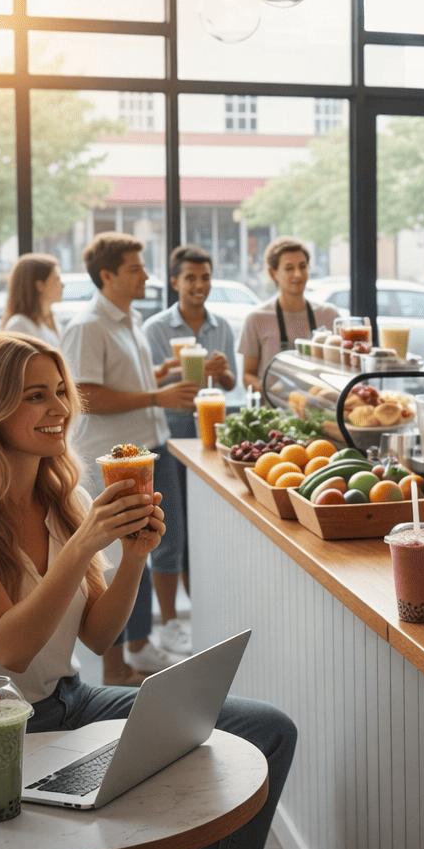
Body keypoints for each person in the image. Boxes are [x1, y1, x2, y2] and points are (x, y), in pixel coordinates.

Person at [0, 331, 295, 849]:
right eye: (34, 396)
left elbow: (96, 634)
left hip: (59, 706)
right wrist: (84, 544)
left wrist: (136, 555)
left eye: (61, 390)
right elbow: (11, 648)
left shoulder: (64, 497)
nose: (59, 409)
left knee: (267, 730)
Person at [62, 233, 199, 684]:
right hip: (118, 459)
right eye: (135, 268)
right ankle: (117, 669)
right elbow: (87, 395)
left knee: (147, 548)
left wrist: (160, 376)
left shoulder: (128, 319)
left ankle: (138, 651)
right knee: (121, 562)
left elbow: (122, 380)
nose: (145, 275)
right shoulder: (88, 325)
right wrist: (158, 393)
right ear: (107, 275)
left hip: (148, 449)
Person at [143, 244, 239, 655]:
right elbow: (148, 388)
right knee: (171, 533)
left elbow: (231, 385)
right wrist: (176, 375)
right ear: (175, 282)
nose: (199, 285)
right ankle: (168, 624)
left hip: (208, 437)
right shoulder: (156, 329)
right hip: (167, 435)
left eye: (205, 277)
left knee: (203, 533)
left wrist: (221, 372)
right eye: (190, 278)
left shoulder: (222, 327)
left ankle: (202, 619)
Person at [239, 236, 340, 392]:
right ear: (273, 273)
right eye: (289, 268)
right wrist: (270, 393)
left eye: (302, 266)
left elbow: (341, 369)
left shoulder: (329, 315)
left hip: (321, 410)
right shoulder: (256, 319)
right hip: (275, 413)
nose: (298, 274)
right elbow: (247, 375)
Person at [2, 253, 65, 349]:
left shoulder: (51, 321)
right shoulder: (19, 325)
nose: (62, 285)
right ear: (40, 285)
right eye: (57, 279)